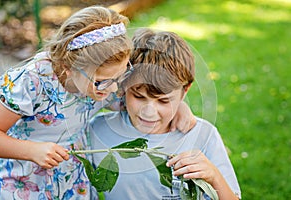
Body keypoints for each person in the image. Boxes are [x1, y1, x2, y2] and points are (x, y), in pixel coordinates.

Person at [0, 6, 196, 200]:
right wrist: (31, 151)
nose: (115, 90)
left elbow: (143, 102)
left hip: (71, 180)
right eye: (102, 82)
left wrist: (178, 106)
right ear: (67, 67)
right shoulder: (33, 82)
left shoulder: (108, 80)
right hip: (24, 181)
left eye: (123, 74)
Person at [89, 28, 241, 199]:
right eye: (138, 96)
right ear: (123, 84)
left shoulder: (203, 136)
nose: (149, 111)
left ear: (185, 91)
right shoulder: (98, 131)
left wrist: (215, 177)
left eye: (163, 101)